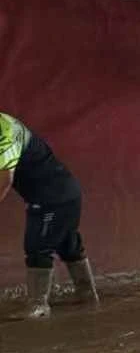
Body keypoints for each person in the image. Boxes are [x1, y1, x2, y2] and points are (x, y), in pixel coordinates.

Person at [0, 113, 98, 319]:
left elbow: (4, 180)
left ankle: (39, 307)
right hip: (67, 193)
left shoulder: (5, 131)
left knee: (37, 248)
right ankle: (88, 297)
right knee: (68, 245)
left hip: (52, 199)